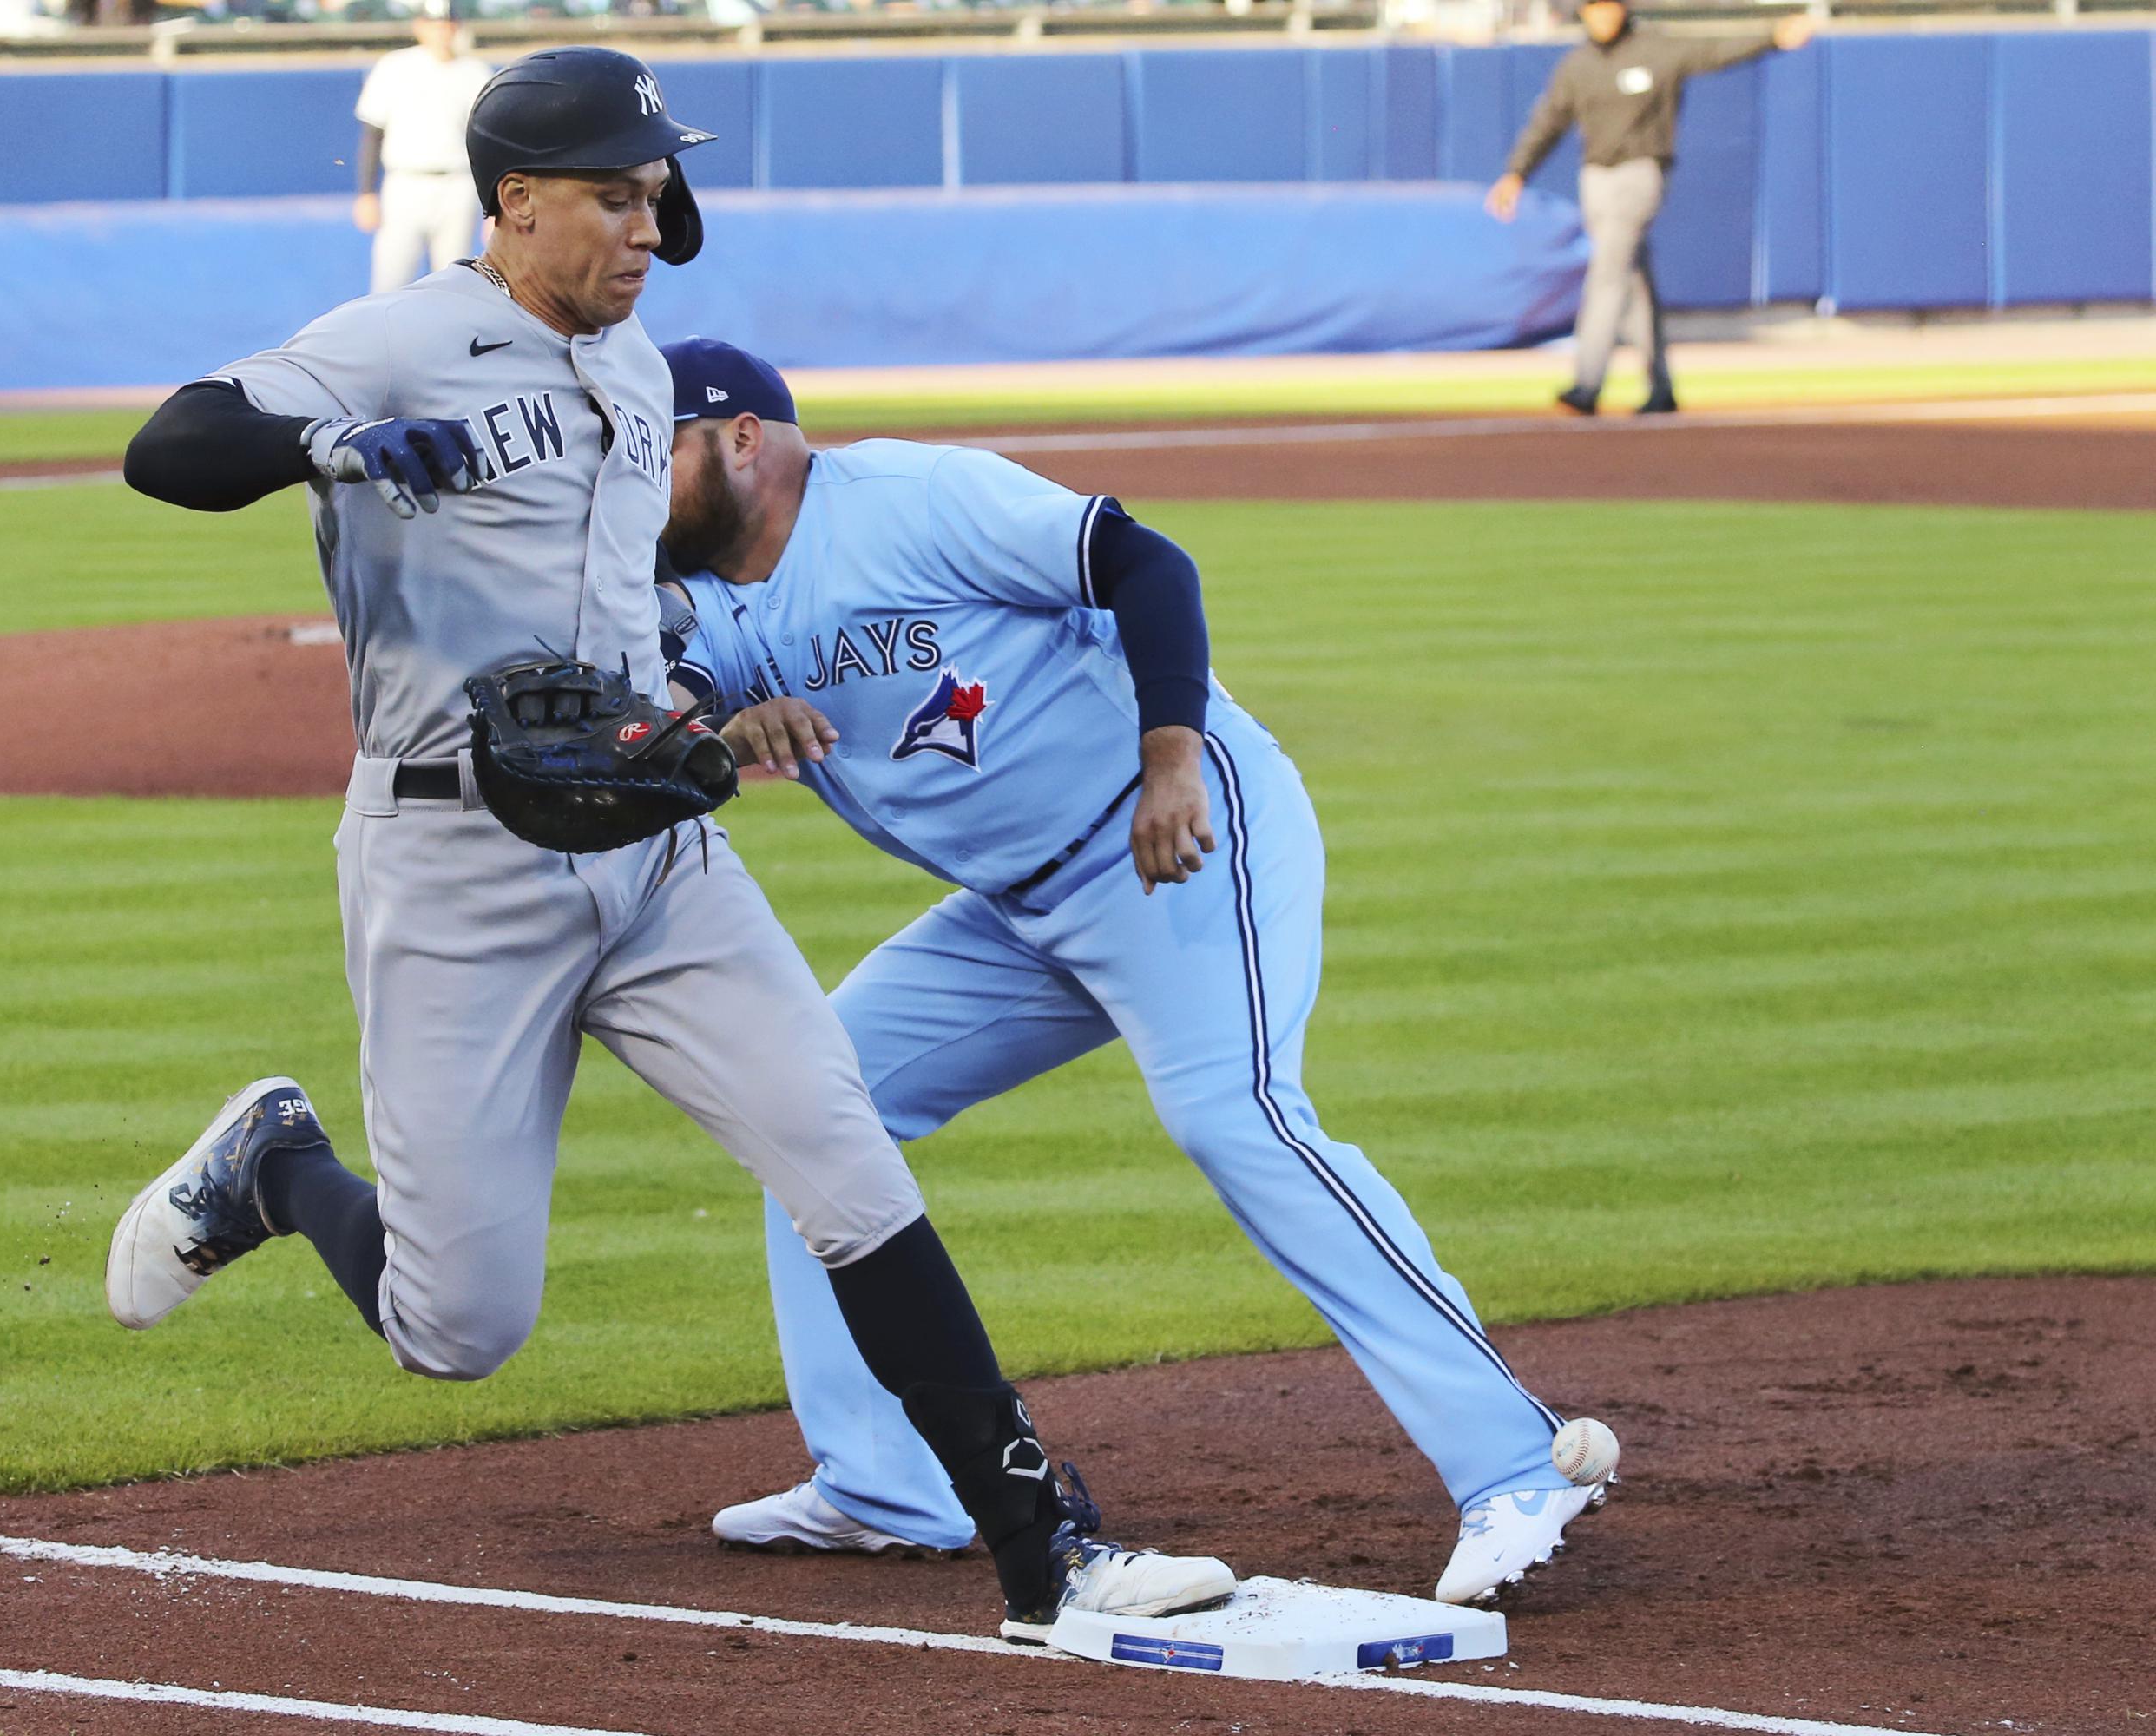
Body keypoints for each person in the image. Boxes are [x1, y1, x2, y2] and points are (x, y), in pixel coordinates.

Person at [105, 47, 1232, 1647]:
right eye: (616, 196)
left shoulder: (639, 380)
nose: (649, 227)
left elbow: (626, 631)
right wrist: (333, 447)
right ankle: (275, 1167)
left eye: (653, 194)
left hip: (649, 850)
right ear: (514, 202)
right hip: (455, 867)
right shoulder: (398, 342)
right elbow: (173, 445)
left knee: (843, 1157)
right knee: (458, 1329)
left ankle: (1048, 1548)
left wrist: (696, 734)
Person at [652, 337, 1611, 1608]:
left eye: (648, 448)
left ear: (744, 441)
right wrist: (716, 727)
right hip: (1020, 908)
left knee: (1236, 1114)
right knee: (813, 1101)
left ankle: (1513, 1461)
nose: (627, 479)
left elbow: (1145, 562)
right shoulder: (696, 588)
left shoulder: (913, 502)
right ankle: (883, 1484)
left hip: (1178, 836)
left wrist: (1174, 761)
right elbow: (662, 701)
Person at [1487, 0, 1815, 416]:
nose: (1602, 15)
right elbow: (1548, 122)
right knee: (1633, 281)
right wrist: (1517, 173)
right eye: (1594, 8)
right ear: (1583, 14)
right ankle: (1660, 385)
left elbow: (1711, 51)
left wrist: (1771, 37)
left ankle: (1587, 383)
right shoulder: (1578, 66)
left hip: (1639, 173)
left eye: (1609, 7)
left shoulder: (1654, 49)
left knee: (1607, 273)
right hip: (1596, 178)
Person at [351, 0, 492, 298]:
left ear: (457, 27)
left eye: (447, 24)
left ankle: (447, 345)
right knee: (389, 283)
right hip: (405, 183)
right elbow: (373, 134)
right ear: (419, 27)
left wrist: (493, 207)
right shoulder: (395, 66)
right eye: (434, 24)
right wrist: (366, 192)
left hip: (457, 183)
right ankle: (383, 345)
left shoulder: (475, 72)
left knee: (453, 286)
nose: (442, 31)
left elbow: (487, 144)